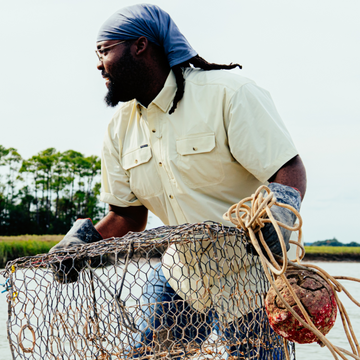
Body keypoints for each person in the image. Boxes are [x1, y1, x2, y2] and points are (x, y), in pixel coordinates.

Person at [50, 4, 306, 359]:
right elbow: (127, 216)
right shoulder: (120, 128)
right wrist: (84, 243)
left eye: (104, 51)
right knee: (151, 355)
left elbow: (287, 168)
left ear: (140, 46)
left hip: (253, 282)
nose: (98, 64)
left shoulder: (228, 95)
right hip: (182, 277)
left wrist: (280, 213)